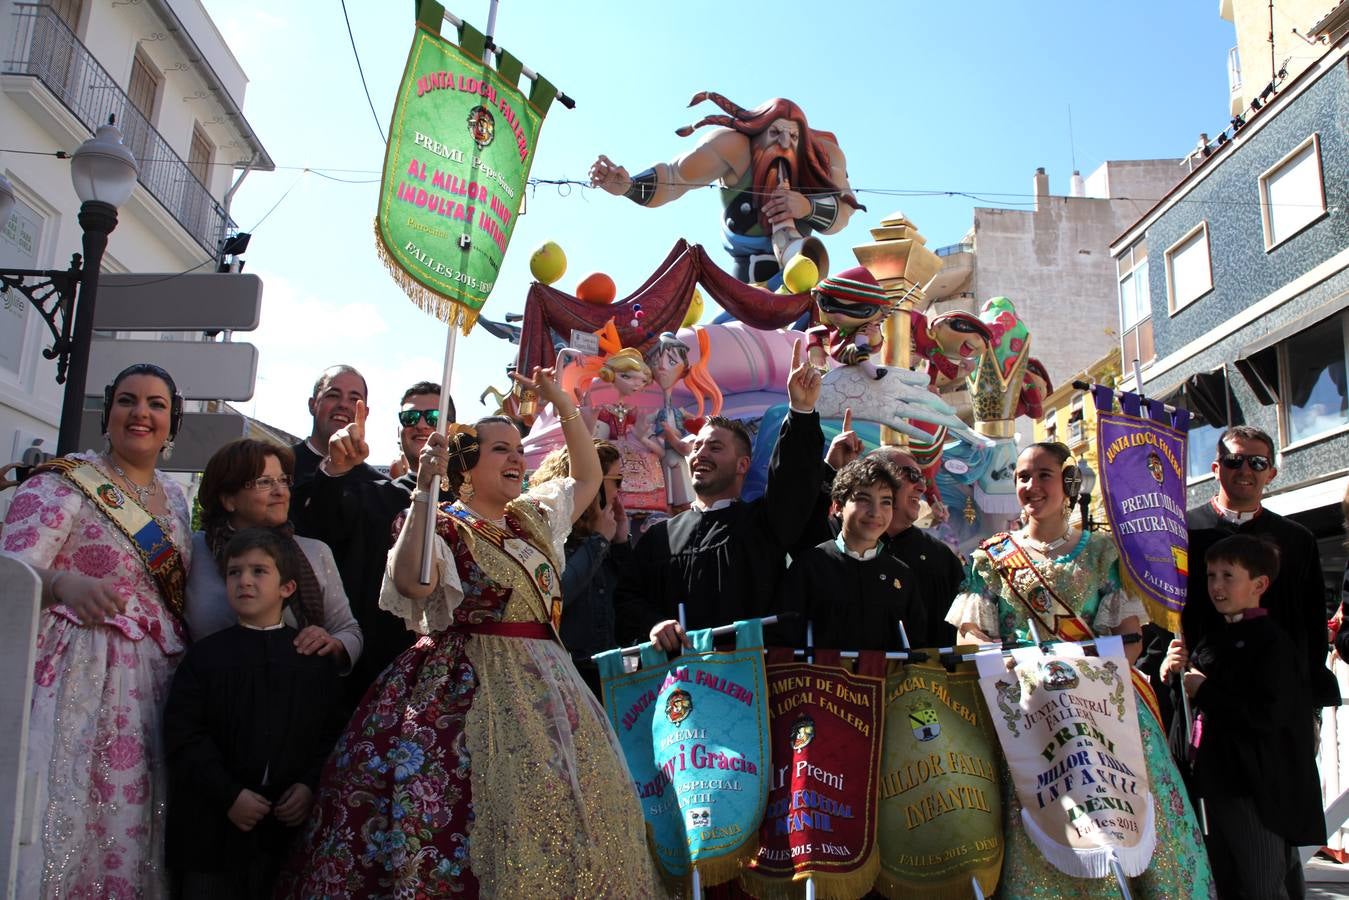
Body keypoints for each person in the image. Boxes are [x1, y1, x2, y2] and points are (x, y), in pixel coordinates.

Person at [277, 367, 666, 897]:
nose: (516, 459)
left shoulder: (531, 519)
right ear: (466, 466)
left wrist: (560, 400)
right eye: (500, 450)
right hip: (463, 690)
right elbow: (414, 584)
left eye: (518, 449)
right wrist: (423, 490)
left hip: (550, 689)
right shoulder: (441, 522)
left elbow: (587, 477)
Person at [946, 441, 1214, 897]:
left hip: (1101, 715)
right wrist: (1007, 658)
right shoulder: (990, 558)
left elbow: (1128, 641)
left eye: (1044, 474)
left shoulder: (1102, 553)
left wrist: (1068, 667)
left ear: (1068, 482)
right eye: (1022, 477)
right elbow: (968, 636)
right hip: (1030, 717)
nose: (1032, 486)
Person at [0, 363, 192, 896]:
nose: (142, 414)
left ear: (171, 421)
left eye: (156, 404)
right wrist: (62, 583)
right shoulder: (65, 483)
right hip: (78, 678)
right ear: (107, 413)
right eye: (128, 400)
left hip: (154, 684)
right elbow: (8, 576)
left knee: (134, 824)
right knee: (71, 809)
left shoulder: (176, 498)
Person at [165, 529, 344, 898]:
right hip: (212, 839)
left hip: (285, 837)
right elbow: (183, 736)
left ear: (288, 588)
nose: (244, 580)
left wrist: (308, 786)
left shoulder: (310, 661)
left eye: (259, 571)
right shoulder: (205, 657)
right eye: (234, 572)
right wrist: (229, 795)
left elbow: (332, 735)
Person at [615, 340, 824, 651]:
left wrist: (801, 411)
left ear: (743, 465)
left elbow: (792, 480)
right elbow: (627, 597)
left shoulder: (763, 525)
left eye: (715, 447)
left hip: (748, 679)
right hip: (678, 688)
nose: (701, 454)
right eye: (696, 447)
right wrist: (654, 625)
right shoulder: (659, 537)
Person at [1165, 534, 1323, 899]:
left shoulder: (1271, 643)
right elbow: (1192, 707)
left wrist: (1204, 690)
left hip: (1253, 788)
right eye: (1210, 576)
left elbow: (1266, 716)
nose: (1216, 586)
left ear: (1259, 585)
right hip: (1216, 782)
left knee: (1261, 883)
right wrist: (1176, 675)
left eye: (1228, 576)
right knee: (1228, 880)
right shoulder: (1214, 638)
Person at [590, 92, 861, 287]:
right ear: (759, 132)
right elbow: (675, 176)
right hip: (746, 281)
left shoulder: (822, 158)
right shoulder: (734, 148)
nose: (784, 144)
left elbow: (844, 212)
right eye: (775, 133)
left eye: (793, 136)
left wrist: (806, 206)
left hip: (803, 274)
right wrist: (629, 187)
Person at [292, 381, 453, 704]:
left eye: (433, 416)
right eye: (410, 419)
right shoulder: (377, 494)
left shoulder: (476, 500)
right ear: (399, 432)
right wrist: (336, 469)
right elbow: (318, 531)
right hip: (382, 674)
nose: (421, 424)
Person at [1181, 426, 1337, 707]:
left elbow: (1311, 624)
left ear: (1271, 473)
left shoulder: (1297, 540)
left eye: (1257, 463)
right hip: (1199, 691)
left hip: (1278, 698)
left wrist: (1309, 708)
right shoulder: (1182, 532)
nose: (1245, 470)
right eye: (1234, 461)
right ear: (1216, 468)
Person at [186, 439, 361, 674]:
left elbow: (349, 631)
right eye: (264, 482)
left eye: (283, 480)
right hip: (210, 695)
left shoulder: (314, 552)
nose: (280, 492)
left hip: (291, 697)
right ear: (228, 499)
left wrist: (332, 643)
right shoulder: (192, 550)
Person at [797, 428, 965, 648]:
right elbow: (799, 526)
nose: (922, 486)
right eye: (912, 476)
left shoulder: (939, 557)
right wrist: (831, 470)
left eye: (923, 477)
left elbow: (950, 636)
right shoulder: (832, 544)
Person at [780, 457, 925, 651]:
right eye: (864, 499)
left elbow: (916, 646)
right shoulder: (810, 566)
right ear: (838, 507)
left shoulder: (901, 575)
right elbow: (784, 642)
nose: (876, 512)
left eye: (886, 502)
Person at [532, 440, 629, 698]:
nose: (620, 492)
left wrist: (620, 543)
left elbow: (626, 602)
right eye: (616, 481)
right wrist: (598, 542)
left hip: (607, 674)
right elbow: (556, 596)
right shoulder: (548, 535)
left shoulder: (605, 535)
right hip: (565, 679)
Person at [288, 364, 376, 492]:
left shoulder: (376, 487)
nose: (343, 404)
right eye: (333, 395)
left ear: (365, 413)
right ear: (312, 405)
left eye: (354, 399)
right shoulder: (278, 468)